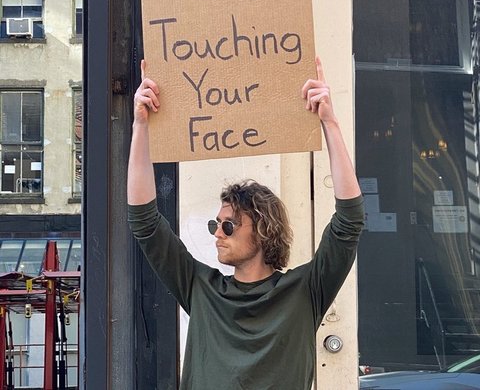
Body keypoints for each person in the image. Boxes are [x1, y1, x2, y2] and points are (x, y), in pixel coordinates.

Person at [127, 57, 364, 390]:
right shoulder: (200, 286)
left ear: (263, 230)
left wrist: (329, 122)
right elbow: (145, 223)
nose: (218, 235)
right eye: (216, 224)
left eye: (229, 226)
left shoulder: (305, 290)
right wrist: (140, 125)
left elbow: (349, 220)